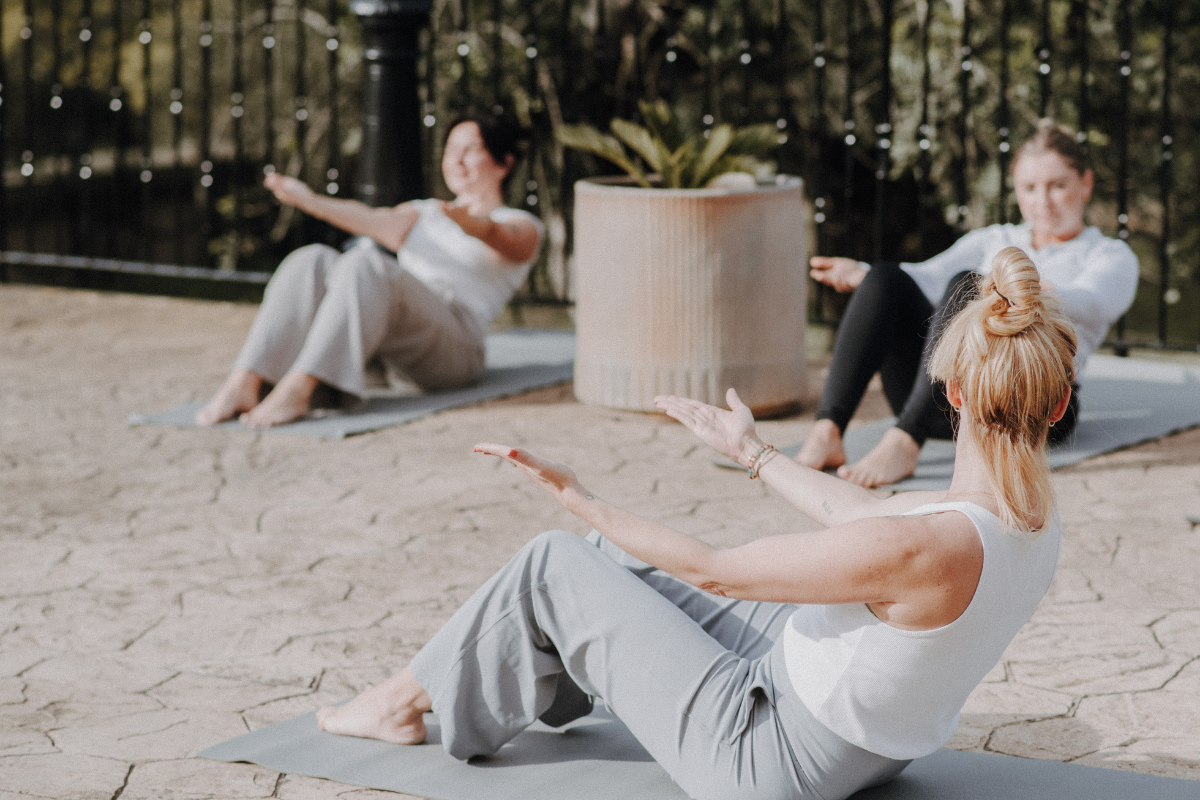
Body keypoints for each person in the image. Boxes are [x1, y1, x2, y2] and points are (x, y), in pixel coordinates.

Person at [313, 247, 1074, 800]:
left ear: (957, 396)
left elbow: (716, 571)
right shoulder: (1031, 521)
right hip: (872, 748)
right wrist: (751, 451)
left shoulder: (922, 546)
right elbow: (863, 512)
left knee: (555, 561)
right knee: (610, 557)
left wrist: (579, 497)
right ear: (1058, 403)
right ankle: (529, 676)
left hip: (767, 755)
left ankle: (395, 705)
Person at [801, 120, 1138, 487]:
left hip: (1029, 406)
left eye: (1057, 186)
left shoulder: (1109, 255)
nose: (1042, 202)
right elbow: (926, 277)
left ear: (1085, 183)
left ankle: (905, 438)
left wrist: (1023, 290)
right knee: (887, 277)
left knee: (969, 284)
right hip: (946, 397)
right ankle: (828, 429)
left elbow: (1094, 303)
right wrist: (863, 273)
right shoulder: (996, 238)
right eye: (1029, 188)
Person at [196, 116, 544, 427]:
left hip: (454, 353)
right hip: (391, 349)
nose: (456, 160)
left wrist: (472, 222)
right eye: (451, 150)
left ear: (504, 162)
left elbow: (505, 239)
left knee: (368, 263)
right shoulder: (426, 212)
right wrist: (308, 199)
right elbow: (370, 219)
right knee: (313, 258)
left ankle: (300, 388)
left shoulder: (521, 223)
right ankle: (246, 380)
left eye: (469, 150)